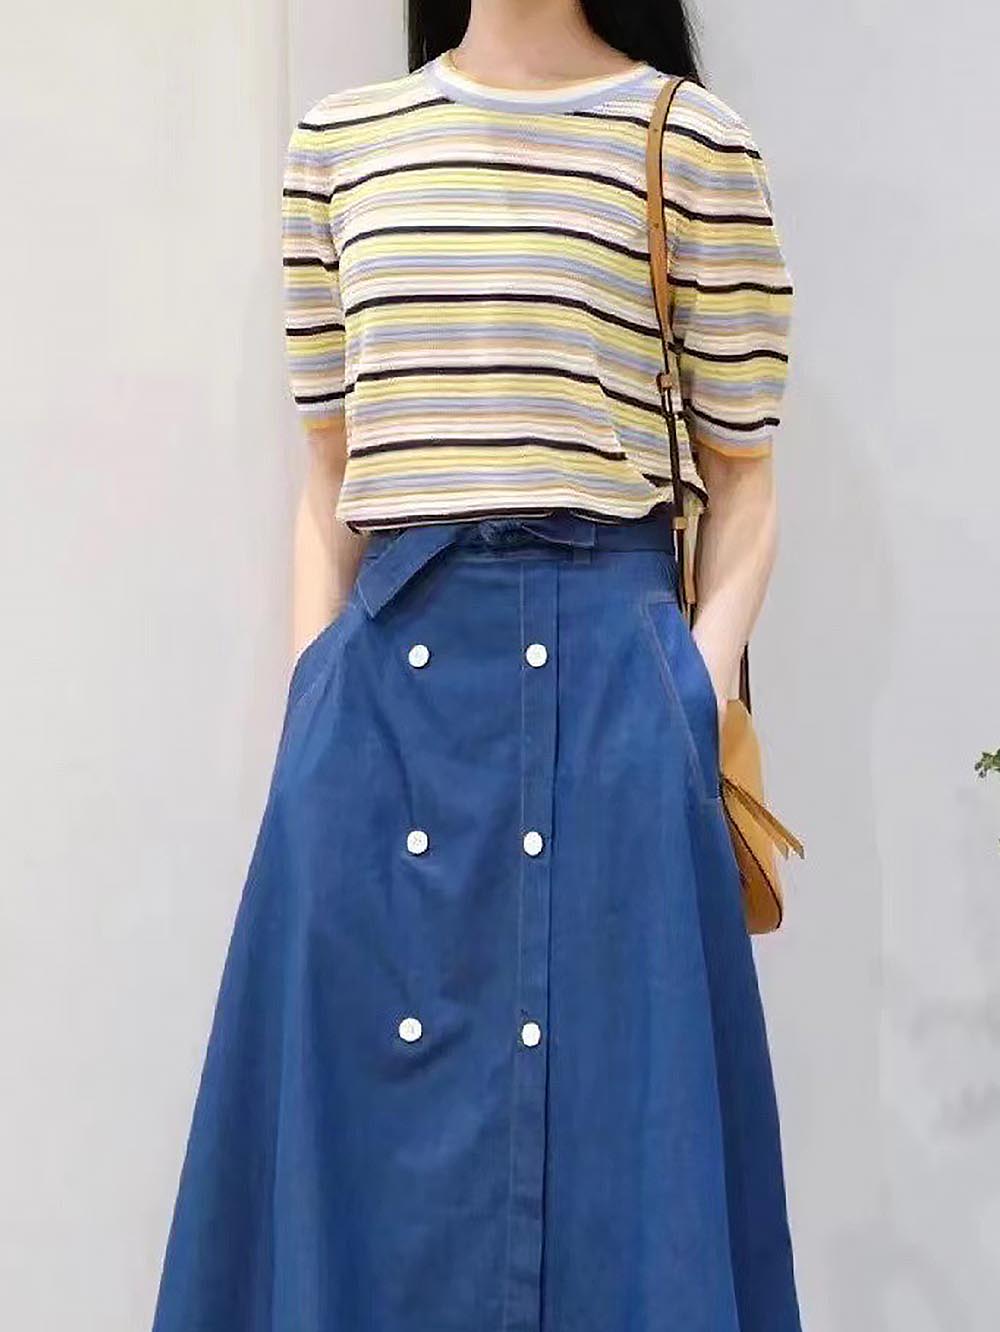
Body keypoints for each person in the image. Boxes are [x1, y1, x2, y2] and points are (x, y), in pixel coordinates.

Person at [151, 3, 801, 1329]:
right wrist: (312, 704)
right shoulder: (340, 147)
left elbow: (745, 481)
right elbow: (329, 477)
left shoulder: (691, 143)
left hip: (614, 702)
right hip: (382, 710)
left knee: (624, 1147)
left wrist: (690, 690)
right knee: (369, 1164)